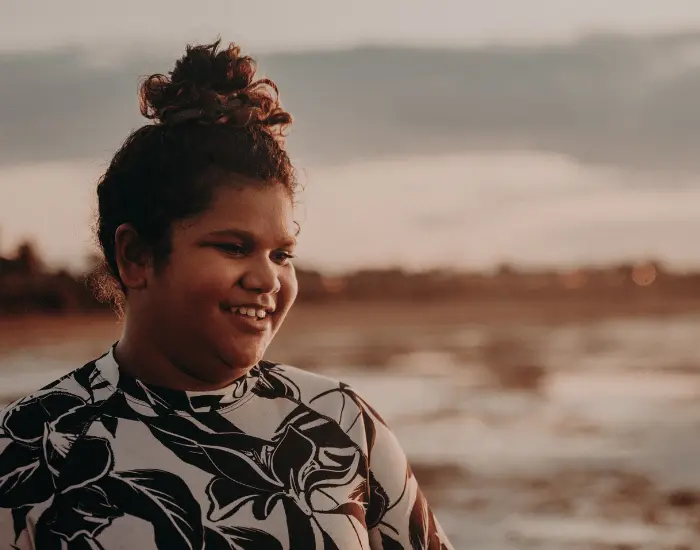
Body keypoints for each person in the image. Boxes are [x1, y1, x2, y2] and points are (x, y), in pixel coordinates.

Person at [0, 40, 453, 550]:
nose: (267, 279)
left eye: (282, 255)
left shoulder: (342, 425)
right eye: (235, 247)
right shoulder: (33, 446)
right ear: (137, 257)